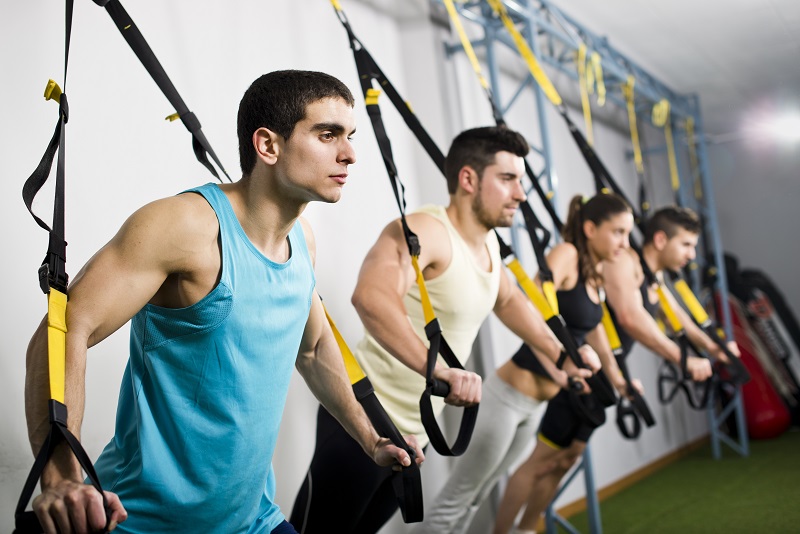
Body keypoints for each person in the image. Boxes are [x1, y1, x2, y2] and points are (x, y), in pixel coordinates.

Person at [24, 70, 423, 534]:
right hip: (143, 522)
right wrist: (61, 478)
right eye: (327, 135)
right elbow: (64, 330)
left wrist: (371, 438)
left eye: (350, 136)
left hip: (253, 520)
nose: (350, 154)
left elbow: (313, 350)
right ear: (268, 145)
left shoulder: (302, 240)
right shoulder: (184, 227)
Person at [288, 126, 599, 533]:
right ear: (469, 179)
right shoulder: (426, 231)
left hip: (414, 434)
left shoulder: (488, 245)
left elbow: (508, 301)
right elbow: (370, 297)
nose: (520, 194)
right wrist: (437, 370)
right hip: (363, 417)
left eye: (520, 181)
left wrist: (563, 355)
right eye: (508, 179)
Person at [495, 205, 740, 534]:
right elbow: (630, 318)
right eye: (685, 245)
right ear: (660, 239)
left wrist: (716, 349)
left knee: (566, 459)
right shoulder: (624, 263)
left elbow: (679, 320)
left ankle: (525, 529)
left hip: (602, 376)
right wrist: (683, 360)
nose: (691, 254)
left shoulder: (651, 277)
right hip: (582, 370)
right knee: (542, 462)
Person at [412, 193, 632, 534]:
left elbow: (596, 332)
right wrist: (562, 363)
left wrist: (618, 380)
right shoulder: (568, 254)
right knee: (459, 496)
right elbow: (531, 306)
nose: (624, 243)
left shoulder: (594, 273)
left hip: (534, 406)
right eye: (618, 232)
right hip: (506, 398)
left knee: (478, 495)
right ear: (590, 229)